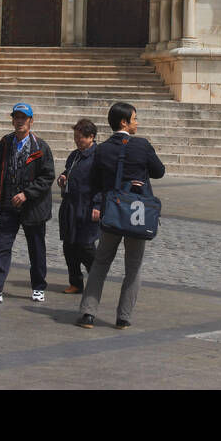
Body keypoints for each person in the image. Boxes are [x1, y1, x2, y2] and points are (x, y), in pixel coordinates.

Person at [77, 102, 165, 330]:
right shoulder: (142, 145)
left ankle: (88, 313)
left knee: (101, 263)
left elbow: (94, 182)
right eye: (134, 118)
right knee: (133, 266)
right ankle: (123, 317)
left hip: (112, 212)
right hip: (136, 213)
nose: (137, 122)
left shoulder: (102, 149)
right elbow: (159, 171)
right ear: (124, 122)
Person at [0, 103, 54, 304]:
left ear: (31, 120)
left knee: (36, 248)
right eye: (17, 117)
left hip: (33, 207)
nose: (20, 121)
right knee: (3, 245)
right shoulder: (5, 142)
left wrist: (27, 194)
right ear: (12, 119)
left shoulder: (40, 146)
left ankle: (38, 286)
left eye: (24, 118)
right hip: (8, 203)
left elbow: (47, 177)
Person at [58, 118, 100, 295]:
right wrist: (63, 177)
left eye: (80, 137)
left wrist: (98, 205)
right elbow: (68, 171)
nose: (77, 140)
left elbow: (102, 183)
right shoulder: (74, 155)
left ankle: (97, 278)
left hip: (87, 207)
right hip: (70, 206)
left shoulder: (98, 156)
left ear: (91, 137)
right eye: (75, 137)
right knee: (69, 246)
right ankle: (75, 282)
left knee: (86, 246)